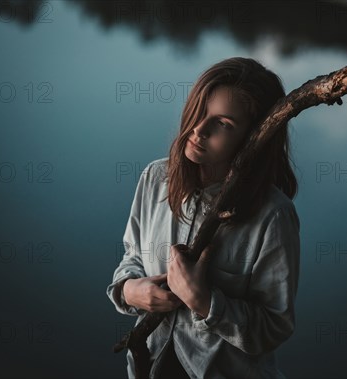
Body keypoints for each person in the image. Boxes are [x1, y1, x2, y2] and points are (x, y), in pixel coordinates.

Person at [107, 57, 301, 378]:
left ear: (254, 137)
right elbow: (132, 258)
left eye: (223, 124)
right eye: (200, 111)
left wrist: (205, 302)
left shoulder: (274, 216)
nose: (198, 130)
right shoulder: (155, 178)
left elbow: (274, 326)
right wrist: (130, 291)